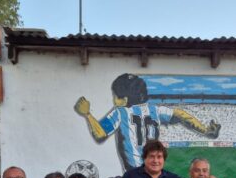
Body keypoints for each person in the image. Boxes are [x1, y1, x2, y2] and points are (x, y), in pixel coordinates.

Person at [74, 73, 221, 171]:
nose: (113, 100)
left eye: (115, 96)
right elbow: (180, 114)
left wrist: (87, 114)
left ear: (125, 99)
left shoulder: (120, 112)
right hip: (154, 171)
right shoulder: (155, 110)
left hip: (134, 172)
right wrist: (205, 130)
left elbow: (100, 134)